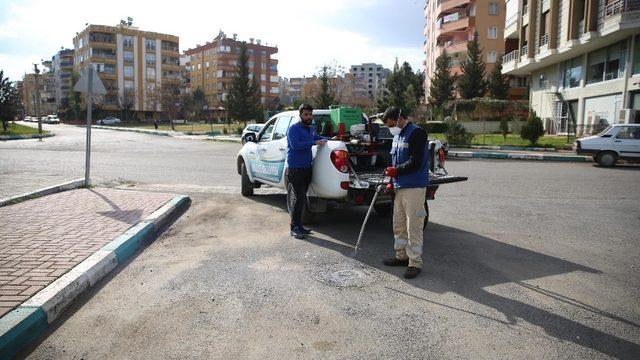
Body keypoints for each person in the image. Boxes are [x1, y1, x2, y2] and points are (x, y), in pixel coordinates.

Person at [382, 106, 429, 279]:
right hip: (400, 186)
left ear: (401, 119)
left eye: (392, 124)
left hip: (414, 187)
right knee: (399, 224)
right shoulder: (398, 135)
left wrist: (396, 171)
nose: (390, 128)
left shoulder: (417, 133)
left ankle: (415, 263)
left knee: (413, 226)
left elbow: (415, 162)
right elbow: (395, 159)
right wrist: (391, 181)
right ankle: (401, 256)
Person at [286, 103, 328, 239]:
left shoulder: (310, 129)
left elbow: (318, 137)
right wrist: (314, 143)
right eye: (306, 114)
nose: (308, 117)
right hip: (295, 169)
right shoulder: (293, 129)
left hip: (306, 168)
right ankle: (294, 227)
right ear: (300, 115)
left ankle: (299, 225)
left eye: (310, 114)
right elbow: (295, 145)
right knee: (299, 198)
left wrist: (334, 141)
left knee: (302, 197)